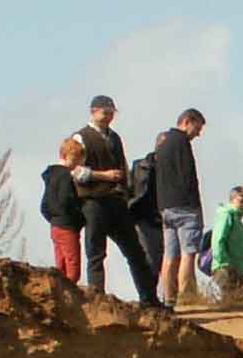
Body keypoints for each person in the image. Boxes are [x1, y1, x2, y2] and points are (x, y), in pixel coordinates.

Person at [69, 95, 161, 306]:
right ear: (93, 111)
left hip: (116, 201)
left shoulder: (115, 137)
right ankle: (97, 301)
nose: (109, 116)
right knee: (96, 254)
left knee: (136, 252)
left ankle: (150, 299)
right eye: (105, 112)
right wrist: (104, 176)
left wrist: (126, 192)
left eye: (111, 112)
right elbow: (75, 171)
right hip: (93, 201)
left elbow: (123, 167)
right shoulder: (80, 137)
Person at [154, 108, 206, 305]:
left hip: (166, 207)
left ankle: (168, 299)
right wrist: (195, 206)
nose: (197, 134)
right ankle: (187, 298)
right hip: (185, 207)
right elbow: (188, 177)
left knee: (169, 256)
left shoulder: (163, 142)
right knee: (188, 254)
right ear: (187, 121)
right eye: (197, 128)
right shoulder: (182, 142)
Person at [39, 137, 90, 282]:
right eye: (76, 159)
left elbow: (44, 206)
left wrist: (53, 219)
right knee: (73, 267)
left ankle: (59, 289)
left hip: (55, 226)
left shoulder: (52, 176)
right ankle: (69, 292)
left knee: (60, 264)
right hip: (67, 225)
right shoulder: (65, 176)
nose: (78, 164)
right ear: (66, 156)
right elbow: (66, 200)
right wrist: (80, 219)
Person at [127, 133, 168, 288]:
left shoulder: (173, 169)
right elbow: (128, 189)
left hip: (165, 219)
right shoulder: (140, 166)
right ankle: (148, 295)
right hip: (143, 218)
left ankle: (159, 295)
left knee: (165, 261)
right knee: (149, 259)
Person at [208, 186, 243, 300]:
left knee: (237, 302)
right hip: (226, 268)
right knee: (230, 302)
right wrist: (224, 263)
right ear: (232, 200)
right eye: (241, 200)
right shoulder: (226, 215)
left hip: (237, 269)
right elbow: (218, 240)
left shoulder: (236, 220)